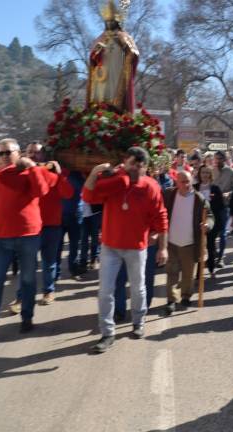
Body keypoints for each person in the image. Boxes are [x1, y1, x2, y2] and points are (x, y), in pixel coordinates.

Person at [82, 147, 169, 353]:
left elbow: (161, 216)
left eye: (140, 166)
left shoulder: (151, 186)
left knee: (138, 288)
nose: (135, 170)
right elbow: (88, 195)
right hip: (110, 246)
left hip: (137, 246)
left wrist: (162, 247)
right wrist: (95, 172)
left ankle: (138, 322)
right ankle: (107, 332)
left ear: (146, 167)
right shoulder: (114, 182)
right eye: (132, 165)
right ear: (124, 162)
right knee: (105, 290)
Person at [0, 139, 50, 338]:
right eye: (0, 154)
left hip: (28, 236)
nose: (4, 156)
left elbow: (42, 191)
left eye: (8, 152)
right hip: (0, 237)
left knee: (28, 280)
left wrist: (32, 167)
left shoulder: (31, 173)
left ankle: (27, 317)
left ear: (19, 153)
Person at [9, 161, 73, 308]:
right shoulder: (24, 176)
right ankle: (24, 297)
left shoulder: (52, 176)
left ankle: (45, 292)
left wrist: (59, 175)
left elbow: (67, 193)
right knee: (34, 264)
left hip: (50, 226)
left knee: (46, 262)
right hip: (31, 227)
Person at [162, 171, 213, 315]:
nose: (185, 184)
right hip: (171, 241)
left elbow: (210, 216)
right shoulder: (169, 195)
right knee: (171, 272)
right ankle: (171, 300)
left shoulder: (199, 199)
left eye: (188, 181)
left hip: (190, 242)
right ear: (176, 182)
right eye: (182, 181)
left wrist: (207, 224)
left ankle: (186, 296)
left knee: (188, 273)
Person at [194, 165, 225, 276]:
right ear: (199, 174)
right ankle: (198, 272)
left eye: (207, 173)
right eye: (203, 172)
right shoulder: (194, 187)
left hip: (211, 221)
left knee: (210, 246)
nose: (205, 175)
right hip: (197, 222)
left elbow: (221, 206)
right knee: (198, 246)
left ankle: (211, 268)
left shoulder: (215, 189)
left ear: (210, 175)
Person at [58, 170, 86, 277]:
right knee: (73, 244)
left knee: (60, 244)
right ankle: (73, 268)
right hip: (73, 213)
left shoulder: (59, 173)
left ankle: (56, 272)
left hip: (65, 212)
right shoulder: (79, 176)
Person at [213, 151, 233, 267]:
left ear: (224, 159)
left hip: (224, 205)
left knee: (223, 233)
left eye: (219, 159)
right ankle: (213, 253)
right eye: (216, 159)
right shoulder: (211, 171)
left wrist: (229, 193)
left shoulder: (231, 172)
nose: (217, 161)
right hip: (212, 205)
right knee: (212, 232)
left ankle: (221, 257)